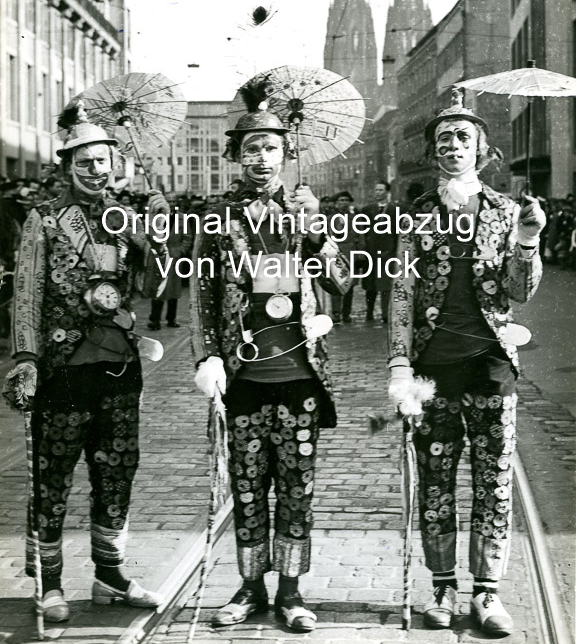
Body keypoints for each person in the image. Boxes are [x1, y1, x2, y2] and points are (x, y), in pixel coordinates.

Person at [190, 79, 350, 634]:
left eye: (272, 148)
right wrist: (208, 358)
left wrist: (316, 232)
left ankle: (291, 590)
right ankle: (250, 585)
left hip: (300, 373)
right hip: (245, 376)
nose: (261, 158)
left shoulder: (304, 209)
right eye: (251, 148)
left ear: (287, 154)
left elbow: (342, 282)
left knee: (297, 486)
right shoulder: (217, 217)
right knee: (248, 484)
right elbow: (202, 298)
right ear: (237, 154)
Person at [387, 90, 545, 636]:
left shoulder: (506, 212)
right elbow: (402, 295)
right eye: (444, 140)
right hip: (434, 370)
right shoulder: (417, 216)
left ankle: (486, 593)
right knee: (434, 481)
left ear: (482, 149)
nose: (453, 146)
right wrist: (399, 365)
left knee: (494, 480)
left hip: (490, 365)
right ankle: (440, 588)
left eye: (463, 138)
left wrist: (527, 240)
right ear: (434, 153)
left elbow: (520, 293)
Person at [3, 102, 168, 623]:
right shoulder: (45, 220)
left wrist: (158, 240)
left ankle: (110, 573)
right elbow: (26, 295)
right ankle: (49, 580)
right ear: (66, 163)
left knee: (117, 470)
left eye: (105, 162)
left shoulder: (127, 222)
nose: (98, 171)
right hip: (63, 368)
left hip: (119, 366)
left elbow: (152, 288)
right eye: (87, 161)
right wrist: (26, 358)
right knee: (52, 476)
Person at [148, 196, 193, 329]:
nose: (172, 204)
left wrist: (180, 250)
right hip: (159, 256)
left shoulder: (182, 218)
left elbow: (187, 237)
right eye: (170, 202)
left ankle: (171, 318)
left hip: (174, 257)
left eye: (174, 201)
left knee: (173, 290)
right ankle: (155, 319)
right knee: (158, 289)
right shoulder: (156, 218)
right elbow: (149, 234)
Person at [360, 180, 398, 323]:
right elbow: (362, 231)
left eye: (381, 190)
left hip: (389, 252)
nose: (378, 193)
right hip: (371, 252)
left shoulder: (395, 210)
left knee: (386, 285)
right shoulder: (367, 210)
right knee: (370, 285)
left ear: (387, 192)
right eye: (376, 190)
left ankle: (385, 314)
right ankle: (369, 311)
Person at [329, 191, 359, 323]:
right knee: (336, 284)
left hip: (351, 253)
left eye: (346, 200)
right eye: (341, 200)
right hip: (336, 253)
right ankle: (336, 313)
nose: (344, 203)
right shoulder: (330, 218)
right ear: (336, 203)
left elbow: (360, 236)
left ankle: (347, 313)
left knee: (349, 286)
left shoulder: (355, 218)